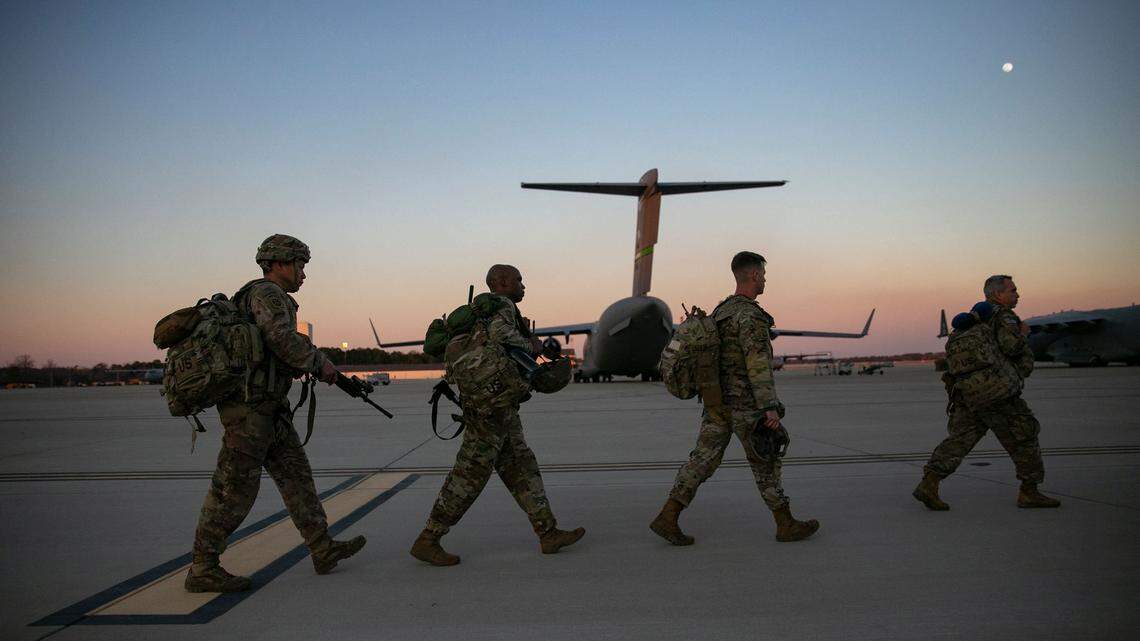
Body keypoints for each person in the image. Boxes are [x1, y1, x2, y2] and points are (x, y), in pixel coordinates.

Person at [185, 234, 366, 593]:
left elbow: (275, 347)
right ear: (278, 263)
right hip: (250, 411)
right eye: (299, 265)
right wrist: (320, 363)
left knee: (297, 478)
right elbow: (280, 339)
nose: (303, 274)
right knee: (233, 490)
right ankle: (203, 568)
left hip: (270, 408)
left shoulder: (268, 297)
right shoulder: (267, 294)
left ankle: (322, 547)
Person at [409, 264, 585, 566]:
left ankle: (548, 532)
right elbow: (501, 334)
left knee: (520, 464)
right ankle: (429, 538)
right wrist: (532, 344)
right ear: (501, 283)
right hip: (491, 405)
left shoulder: (478, 312)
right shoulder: (501, 306)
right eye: (518, 280)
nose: (523, 285)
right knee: (471, 473)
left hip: (496, 400)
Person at [651, 251, 819, 545]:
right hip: (746, 406)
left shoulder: (720, 312)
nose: (765, 279)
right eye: (763, 274)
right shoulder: (750, 316)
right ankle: (785, 523)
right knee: (766, 459)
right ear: (754, 275)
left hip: (717, 404)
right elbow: (757, 365)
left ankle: (668, 515)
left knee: (701, 461)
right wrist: (769, 407)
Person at [913, 275, 1061, 510]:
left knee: (960, 440)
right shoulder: (1003, 317)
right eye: (1012, 290)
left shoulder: (972, 320)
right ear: (997, 295)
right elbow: (1011, 347)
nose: (1017, 294)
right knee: (1024, 437)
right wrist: (1023, 333)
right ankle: (1029, 491)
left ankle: (929, 483)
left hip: (971, 392)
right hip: (998, 393)